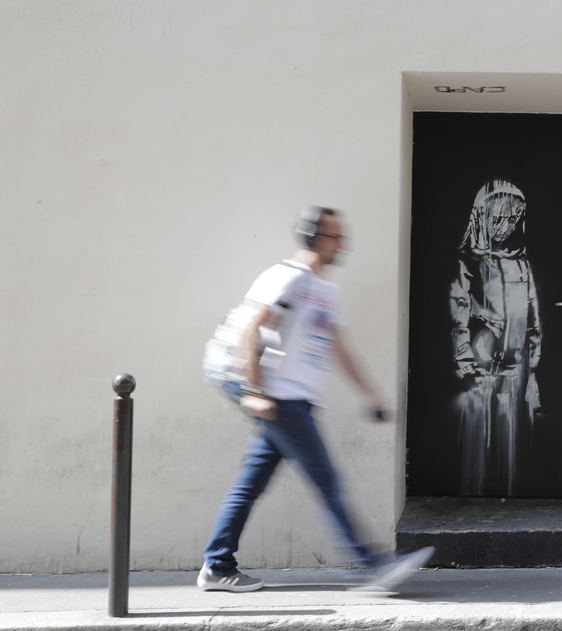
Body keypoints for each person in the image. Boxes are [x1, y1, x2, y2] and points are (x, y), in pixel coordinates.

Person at [198, 206, 432, 592]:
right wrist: (255, 393)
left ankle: (217, 565)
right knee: (326, 479)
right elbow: (252, 332)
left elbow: (341, 349)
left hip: (296, 401)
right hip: (280, 399)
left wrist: (372, 394)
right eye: (335, 236)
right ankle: (372, 565)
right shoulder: (285, 279)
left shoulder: (326, 292)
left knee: (249, 485)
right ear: (314, 237)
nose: (342, 244)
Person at [449, 180, 541, 497]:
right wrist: (465, 365)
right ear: (481, 216)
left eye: (513, 218)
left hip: (517, 372)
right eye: (499, 217)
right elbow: (458, 315)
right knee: (478, 445)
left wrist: (533, 363)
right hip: (479, 374)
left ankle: (512, 490)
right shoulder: (468, 263)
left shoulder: (521, 262)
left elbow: (533, 317)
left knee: (515, 445)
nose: (506, 225)